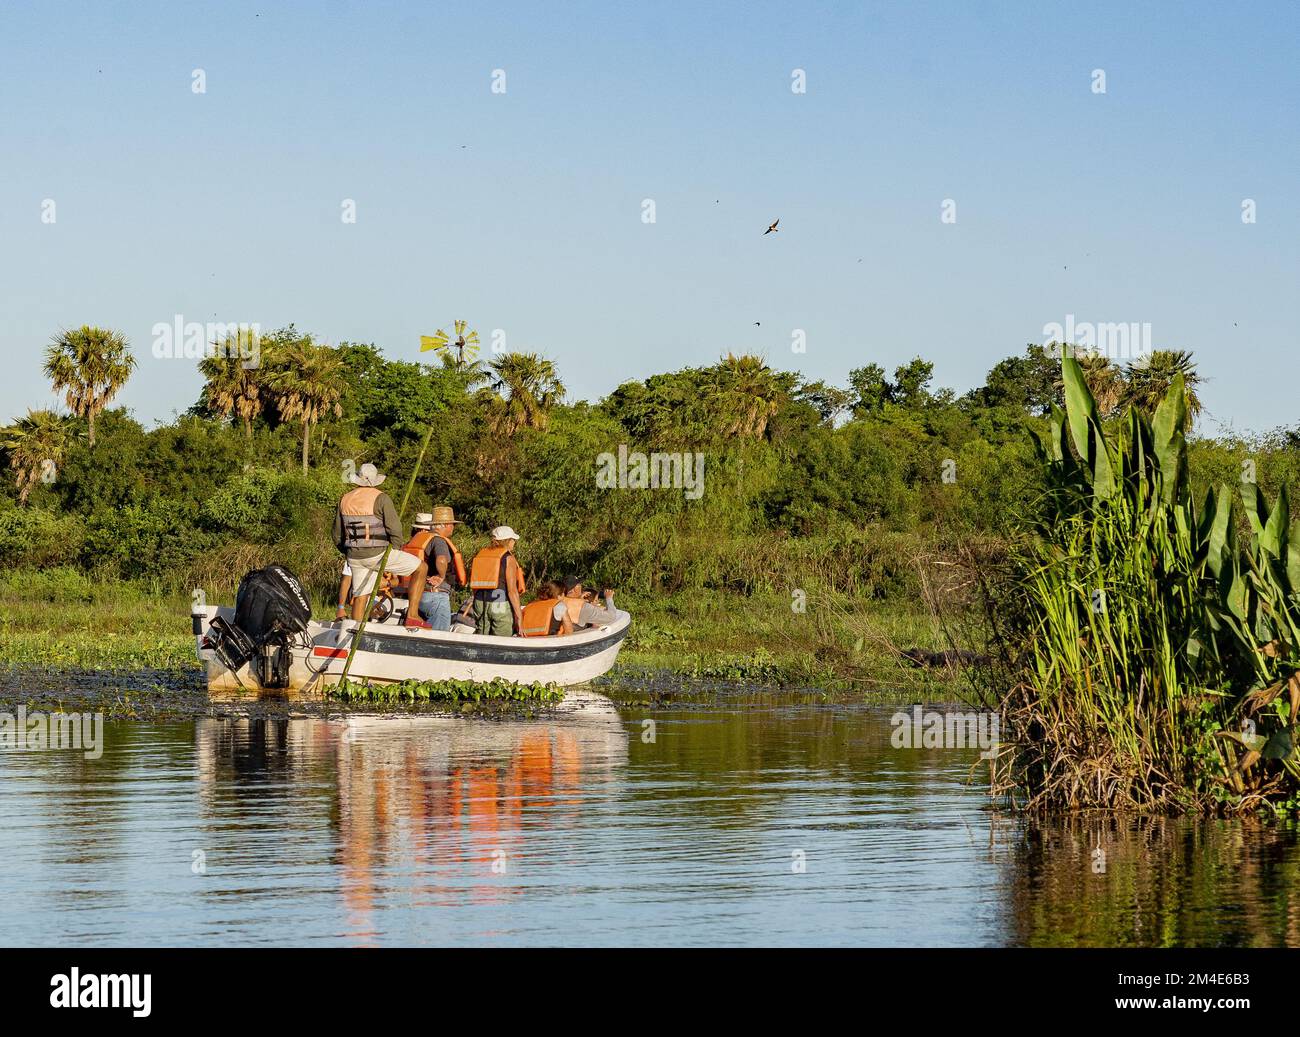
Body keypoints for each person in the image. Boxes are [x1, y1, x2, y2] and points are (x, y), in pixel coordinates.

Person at [333, 462, 431, 629]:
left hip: (354, 557)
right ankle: (412, 615)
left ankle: (356, 629)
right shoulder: (381, 498)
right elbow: (395, 529)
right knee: (421, 568)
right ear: (375, 481)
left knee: (361, 595)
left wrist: (349, 552)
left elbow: (336, 535)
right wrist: (395, 550)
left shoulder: (345, 499)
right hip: (378, 554)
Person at [397, 507, 466, 632]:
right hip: (436, 597)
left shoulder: (420, 540)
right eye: (452, 525)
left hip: (419, 596)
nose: (453, 528)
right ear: (445, 525)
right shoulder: (439, 541)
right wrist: (442, 576)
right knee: (438, 638)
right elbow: (441, 560)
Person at [467, 525, 525, 636]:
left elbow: (475, 585)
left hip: (480, 601)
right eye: (513, 540)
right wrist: (519, 617)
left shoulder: (481, 554)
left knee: (482, 639)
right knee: (502, 640)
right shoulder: (509, 558)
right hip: (499, 600)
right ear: (507, 541)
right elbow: (512, 591)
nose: (514, 542)